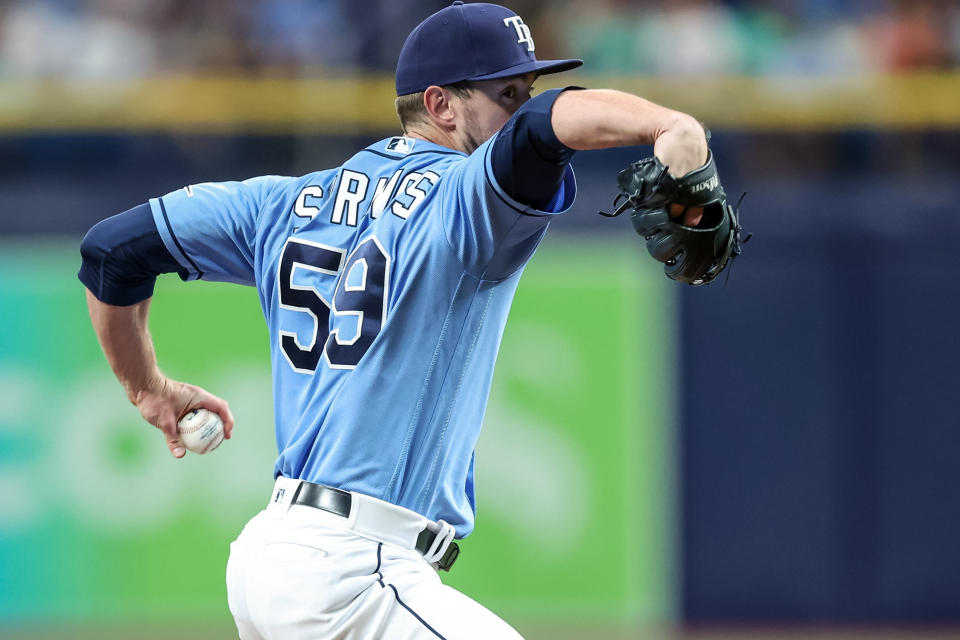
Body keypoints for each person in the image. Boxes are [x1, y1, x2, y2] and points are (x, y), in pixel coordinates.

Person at [79, 2, 709, 638]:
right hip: (352, 571)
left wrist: (147, 389)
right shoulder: (462, 197)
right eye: (506, 92)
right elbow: (547, 125)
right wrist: (670, 126)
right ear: (441, 105)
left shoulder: (281, 202)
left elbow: (111, 251)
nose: (521, 104)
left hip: (273, 556)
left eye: (526, 90)